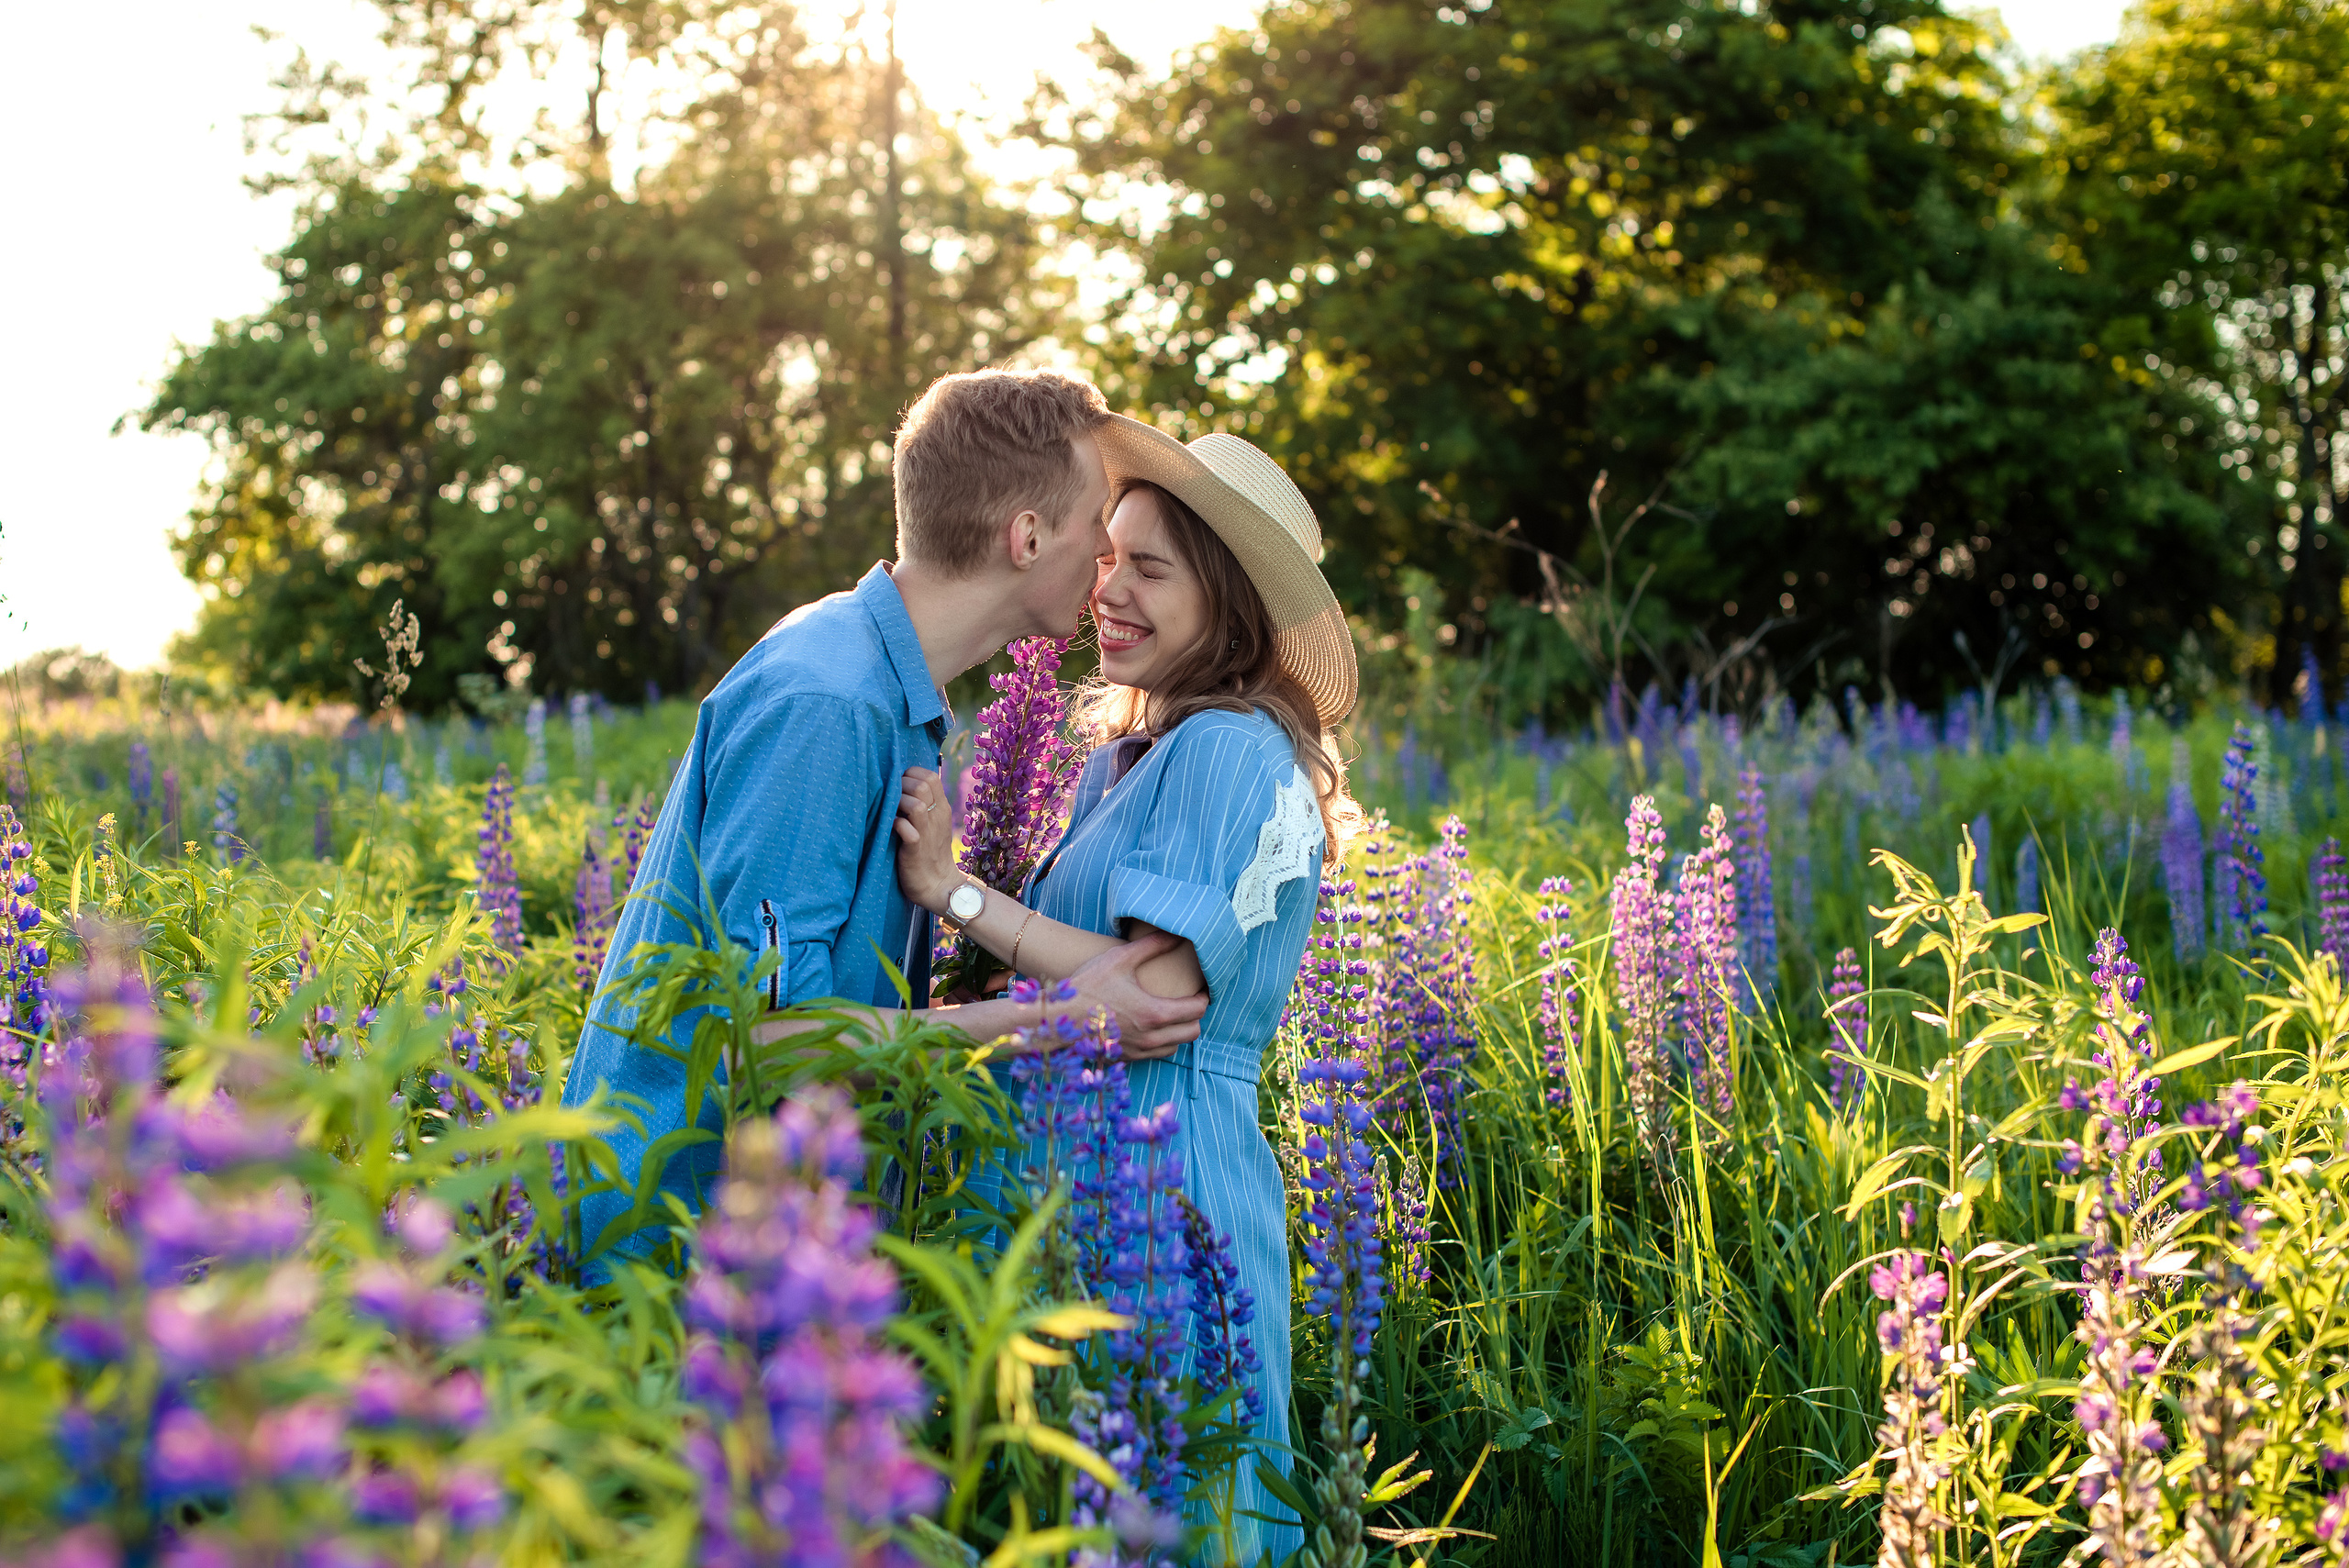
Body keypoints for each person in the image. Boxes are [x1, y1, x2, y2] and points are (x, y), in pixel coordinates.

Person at [560, 369, 1208, 1261]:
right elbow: (774, 1040)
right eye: (1096, 520)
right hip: (672, 1257)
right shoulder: (826, 699)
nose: (1106, 552)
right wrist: (1049, 1021)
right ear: (1026, 536)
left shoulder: (881, 683)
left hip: (773, 1255)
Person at [893, 419, 1361, 1562]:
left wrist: (956, 894)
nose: (1108, 587)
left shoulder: (1235, 747)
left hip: (1165, 1194)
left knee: (1171, 1507)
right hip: (1075, 1195)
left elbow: (1149, 995)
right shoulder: (1127, 757)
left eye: (1150, 568)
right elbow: (1081, 984)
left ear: (1227, 603)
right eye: (1107, 556)